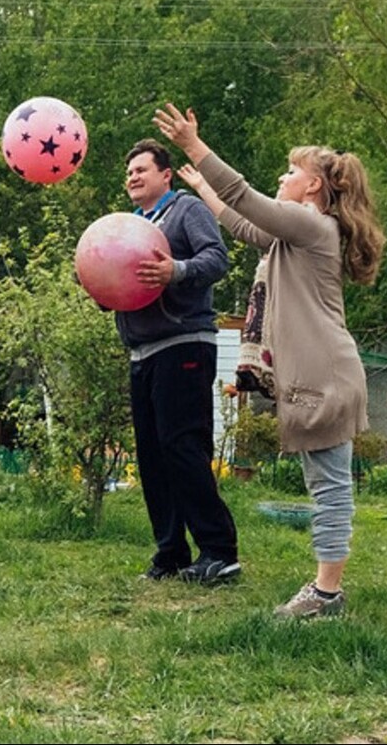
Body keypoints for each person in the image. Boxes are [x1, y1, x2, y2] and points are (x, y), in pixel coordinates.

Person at [155, 103, 384, 618]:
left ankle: (326, 594)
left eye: (291, 171)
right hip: (322, 370)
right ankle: (326, 589)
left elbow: (246, 199)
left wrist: (195, 145)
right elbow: (243, 223)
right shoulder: (296, 235)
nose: (282, 176)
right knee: (325, 483)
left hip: (323, 374)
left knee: (329, 487)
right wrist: (203, 188)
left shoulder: (310, 224)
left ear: (313, 189)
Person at [114, 138, 241, 585]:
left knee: (182, 446)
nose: (132, 176)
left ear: (165, 175)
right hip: (141, 350)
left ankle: (219, 552)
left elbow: (217, 259)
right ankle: (170, 552)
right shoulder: (129, 224)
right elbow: (122, 283)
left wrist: (176, 271)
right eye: (128, 172)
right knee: (152, 455)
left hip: (184, 343)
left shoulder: (186, 211)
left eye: (141, 170)